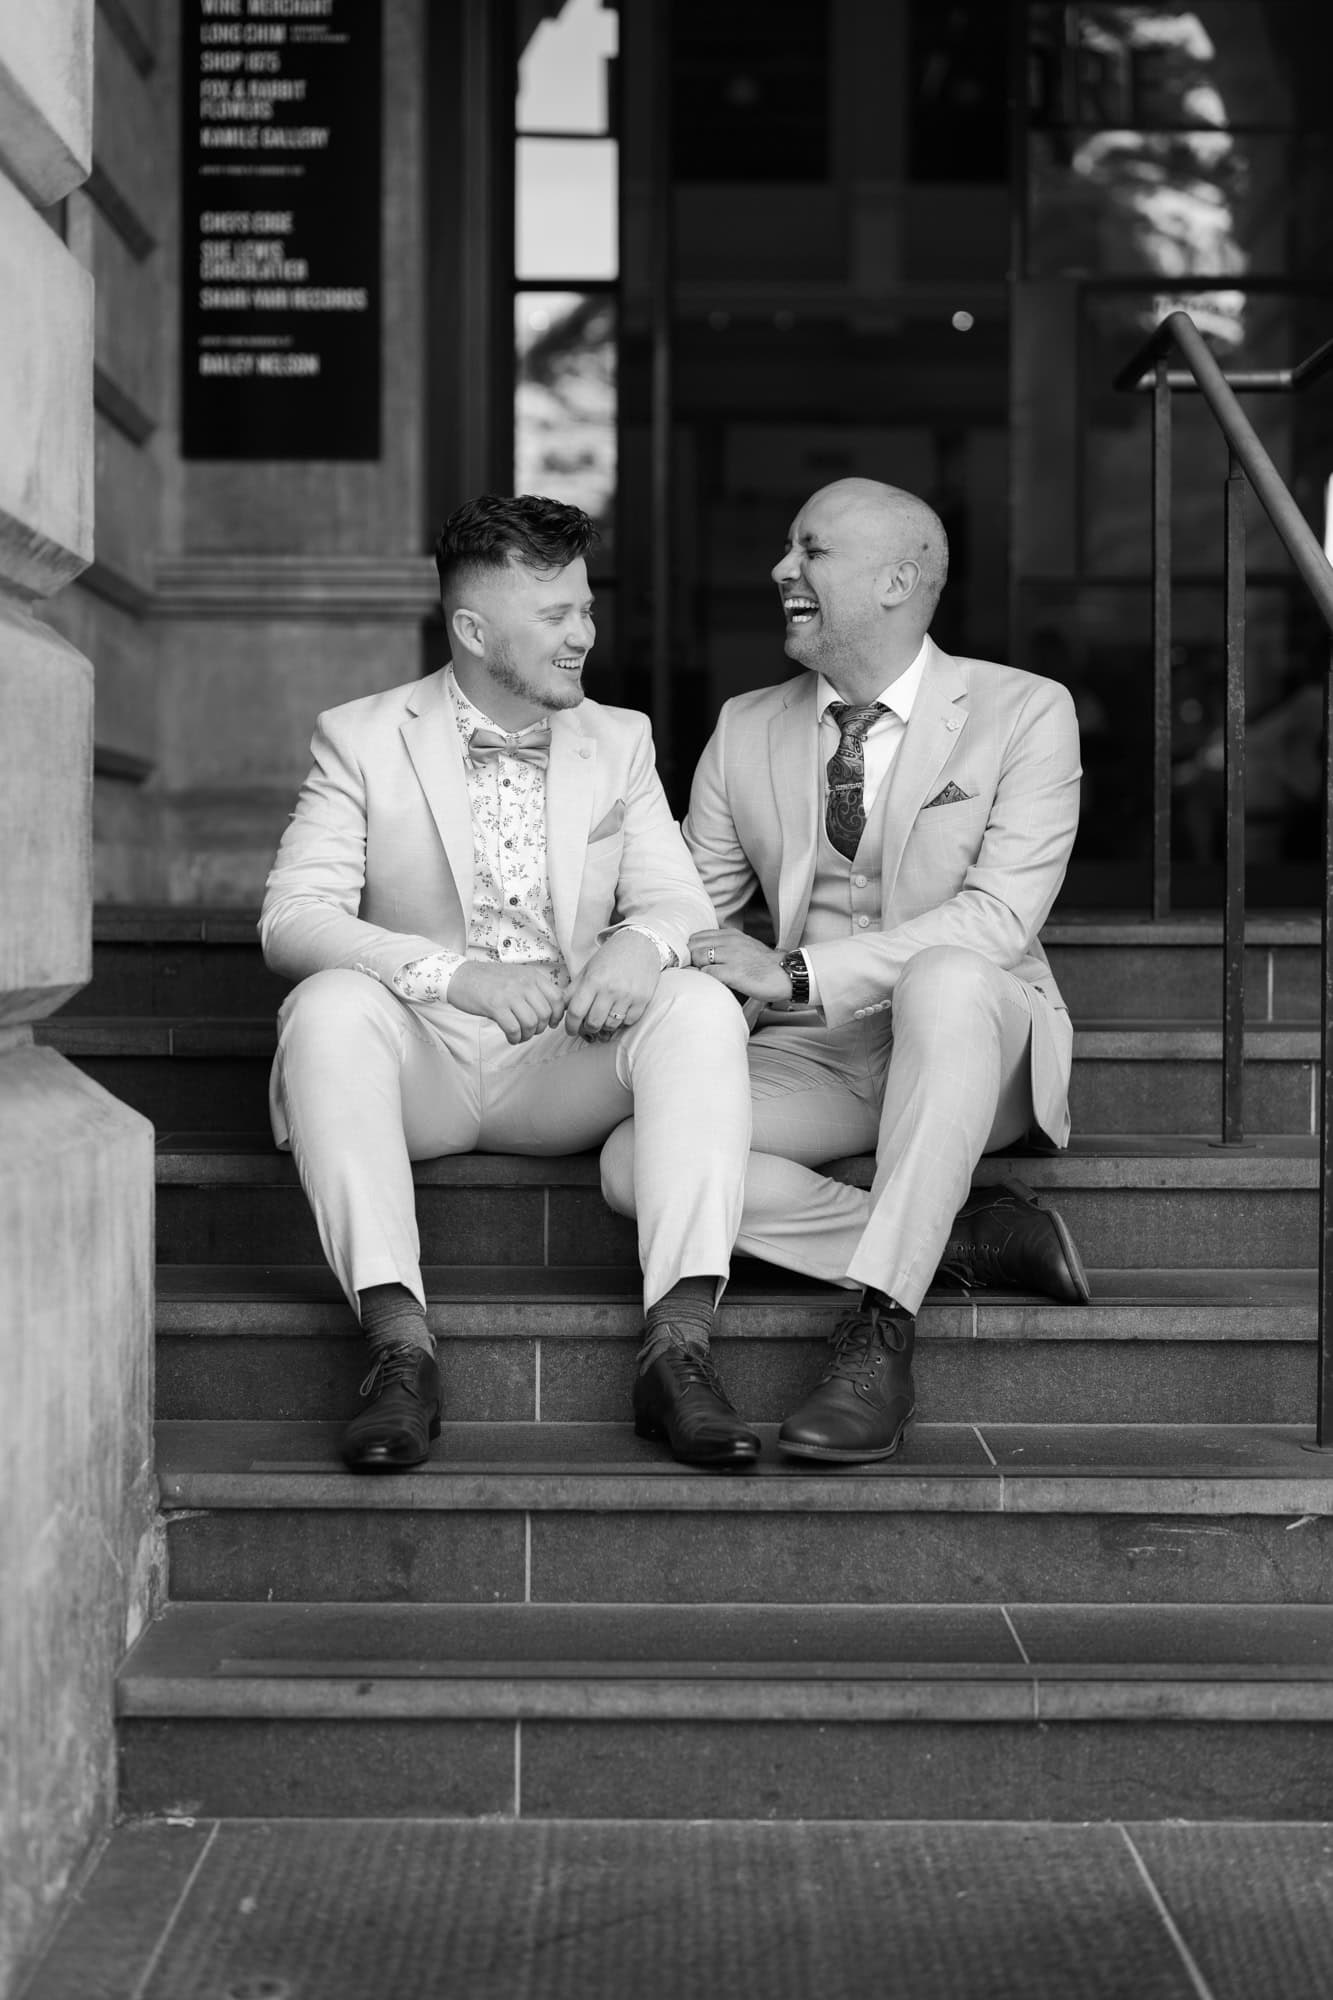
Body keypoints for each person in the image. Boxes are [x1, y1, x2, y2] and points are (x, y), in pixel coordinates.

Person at [260, 494, 759, 1473]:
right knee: (325, 1005)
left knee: (698, 1001)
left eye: (584, 606)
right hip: (421, 1064)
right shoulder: (361, 736)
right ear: (474, 629)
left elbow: (679, 907)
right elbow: (291, 918)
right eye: (557, 616)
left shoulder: (619, 739)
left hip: (560, 1063)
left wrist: (640, 945)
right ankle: (400, 1352)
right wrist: (457, 975)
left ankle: (680, 1350)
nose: (586, 633)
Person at [602, 477, 1090, 1464]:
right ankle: (954, 1235)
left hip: (971, 1038)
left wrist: (793, 971)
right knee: (631, 1161)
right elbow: (692, 904)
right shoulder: (745, 725)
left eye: (811, 550)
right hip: (814, 1056)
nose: (781, 568)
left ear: (897, 579)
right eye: (787, 547)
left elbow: (996, 919)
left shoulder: (1024, 711)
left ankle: (878, 1330)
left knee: (946, 973)